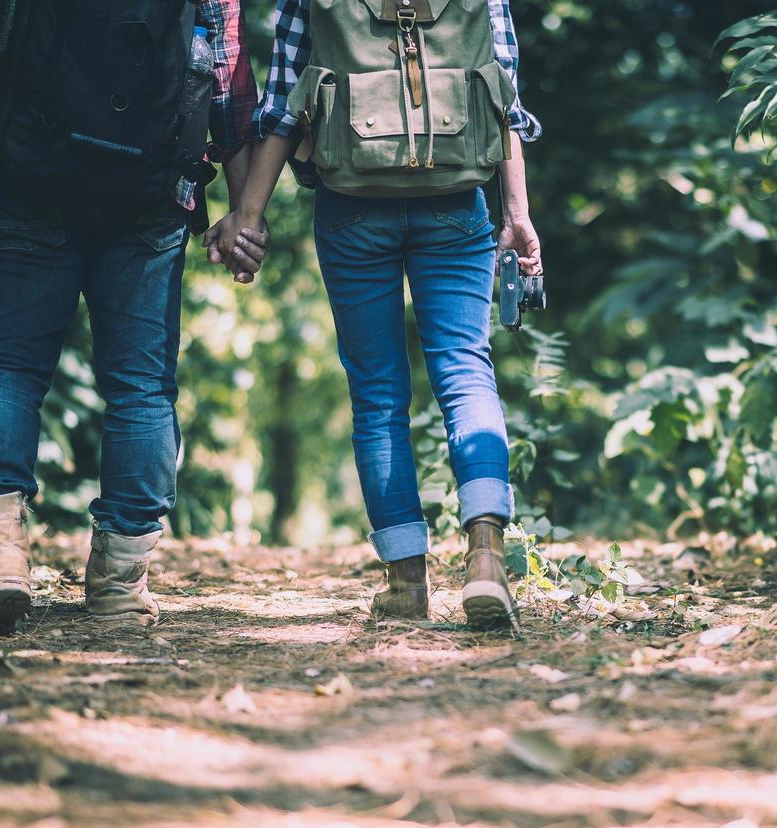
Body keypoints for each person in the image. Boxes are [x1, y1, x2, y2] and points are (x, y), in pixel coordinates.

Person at [0, 0, 263, 632]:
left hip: (27, 171)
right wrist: (242, 210)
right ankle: (120, 582)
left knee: (8, 366)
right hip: (151, 191)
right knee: (142, 386)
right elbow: (227, 81)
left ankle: (0, 557)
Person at [209, 0, 543, 631]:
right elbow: (506, 98)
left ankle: (405, 580)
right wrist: (517, 214)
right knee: (466, 371)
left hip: (352, 205)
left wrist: (248, 215)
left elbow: (283, 105)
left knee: (378, 394)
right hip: (454, 198)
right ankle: (487, 560)